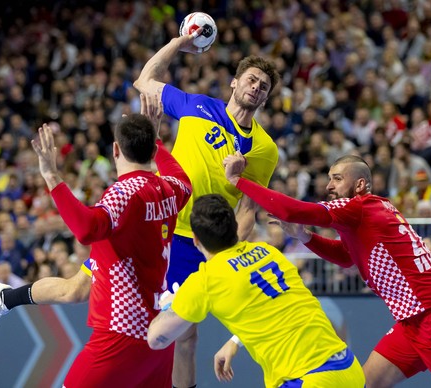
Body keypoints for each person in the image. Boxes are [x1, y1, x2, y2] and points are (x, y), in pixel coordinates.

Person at [0, 94, 193, 387]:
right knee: (75, 289)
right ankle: (1, 300)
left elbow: (85, 230)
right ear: (150, 149)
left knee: (76, 290)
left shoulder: (123, 193)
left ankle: (1, 298)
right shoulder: (171, 188)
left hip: (121, 332)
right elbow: (183, 178)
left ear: (114, 150)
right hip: (156, 332)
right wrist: (157, 141)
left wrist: (51, 175)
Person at [223, 154, 431, 387]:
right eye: (329, 178)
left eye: (337, 179)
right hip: (414, 321)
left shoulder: (357, 207)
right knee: (365, 383)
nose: (329, 186)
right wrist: (305, 238)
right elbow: (346, 257)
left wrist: (240, 182)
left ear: (359, 184)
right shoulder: (370, 210)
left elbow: (291, 210)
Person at [133, 32, 280, 387]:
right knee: (87, 291)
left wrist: (226, 253)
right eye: (252, 80)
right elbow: (144, 81)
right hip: (158, 222)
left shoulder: (264, 149)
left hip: (196, 242)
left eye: (264, 86)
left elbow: (248, 209)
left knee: (185, 335)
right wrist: (176, 43)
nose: (257, 88)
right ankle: (4, 298)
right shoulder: (195, 105)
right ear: (234, 83)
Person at [147, 194, 365, 388]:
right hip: (349, 367)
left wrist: (170, 304)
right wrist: (235, 341)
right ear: (234, 227)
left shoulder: (206, 279)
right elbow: (275, 306)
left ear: (195, 239)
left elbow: (156, 340)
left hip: (308, 378)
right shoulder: (268, 251)